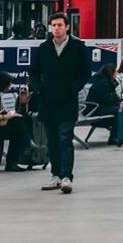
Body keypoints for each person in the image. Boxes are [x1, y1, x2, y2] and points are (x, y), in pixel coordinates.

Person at [30, 14, 90, 194]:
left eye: (59, 25)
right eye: (53, 25)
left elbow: (85, 71)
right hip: (48, 101)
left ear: (67, 27)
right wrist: (39, 89)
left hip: (67, 101)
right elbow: (34, 72)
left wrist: (74, 87)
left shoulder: (77, 48)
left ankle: (66, 177)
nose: (56, 28)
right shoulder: (44, 48)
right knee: (52, 141)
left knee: (65, 138)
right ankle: (55, 175)